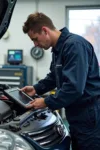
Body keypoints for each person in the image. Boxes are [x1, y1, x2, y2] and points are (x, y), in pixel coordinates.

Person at [21, 12, 100, 150]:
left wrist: (46, 102)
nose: (35, 45)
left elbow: (74, 88)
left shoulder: (74, 45)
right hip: (77, 113)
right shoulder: (59, 48)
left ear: (45, 30)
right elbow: (54, 76)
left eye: (35, 39)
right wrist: (36, 89)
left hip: (88, 114)